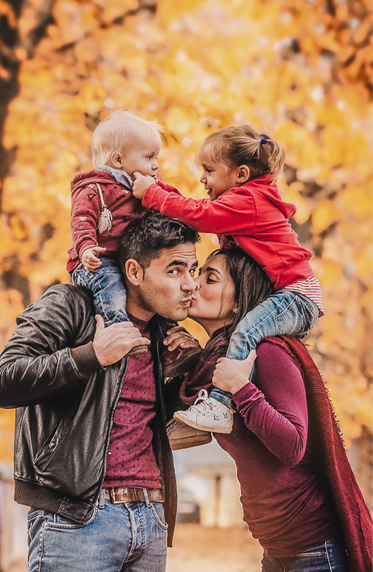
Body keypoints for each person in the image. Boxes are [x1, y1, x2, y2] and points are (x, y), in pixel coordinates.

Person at [0, 211, 201, 572]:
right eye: (175, 270)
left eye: (194, 270)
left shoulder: (161, 334)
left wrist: (192, 373)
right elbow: (6, 381)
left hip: (151, 517)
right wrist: (90, 355)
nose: (190, 284)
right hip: (77, 518)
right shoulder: (70, 304)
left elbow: (147, 418)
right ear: (135, 271)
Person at [181, 248, 372, 572]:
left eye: (210, 278)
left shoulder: (267, 353)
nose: (193, 285)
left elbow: (292, 445)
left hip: (313, 548)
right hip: (274, 549)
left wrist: (241, 388)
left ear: (240, 303)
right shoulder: (216, 361)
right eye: (196, 273)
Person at [133, 125, 324, 434]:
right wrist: (159, 189)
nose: (202, 178)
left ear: (240, 174)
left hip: (295, 294)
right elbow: (195, 206)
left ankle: (220, 404)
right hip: (291, 293)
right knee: (241, 335)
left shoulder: (249, 201)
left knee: (246, 332)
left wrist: (153, 194)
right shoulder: (243, 201)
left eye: (208, 170)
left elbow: (199, 215)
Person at [68, 109, 200, 377]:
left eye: (156, 158)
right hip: (99, 260)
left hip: (127, 259)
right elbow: (82, 218)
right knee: (112, 289)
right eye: (149, 157)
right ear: (119, 159)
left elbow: (175, 201)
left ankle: (172, 349)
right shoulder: (95, 188)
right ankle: (120, 334)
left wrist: (154, 190)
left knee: (163, 304)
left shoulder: (141, 187)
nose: (155, 165)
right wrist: (86, 248)